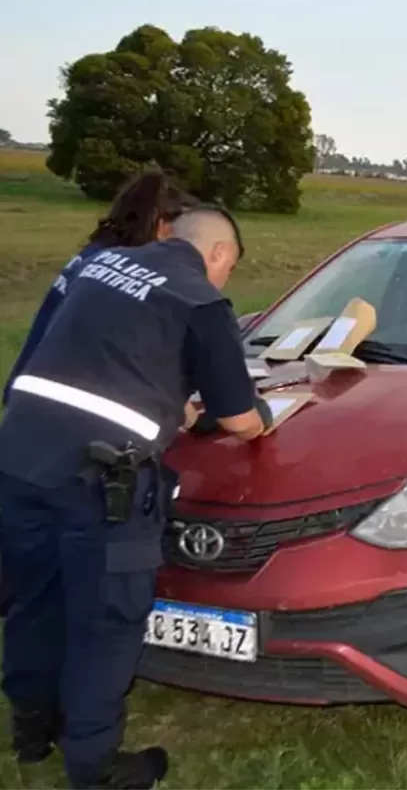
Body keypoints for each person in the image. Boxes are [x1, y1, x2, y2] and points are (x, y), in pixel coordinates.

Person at [0, 205, 272, 789]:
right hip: (100, 487)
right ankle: (94, 769)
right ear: (219, 254)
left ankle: (30, 734)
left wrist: (170, 407)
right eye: (228, 268)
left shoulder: (102, 264)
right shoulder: (201, 299)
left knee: (34, 601)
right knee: (106, 625)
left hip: (19, 460)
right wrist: (260, 417)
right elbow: (241, 418)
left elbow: (103, 365)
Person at [3, 170, 197, 407]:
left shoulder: (100, 254)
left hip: (34, 381)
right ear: (160, 226)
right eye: (180, 232)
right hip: (59, 396)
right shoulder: (122, 270)